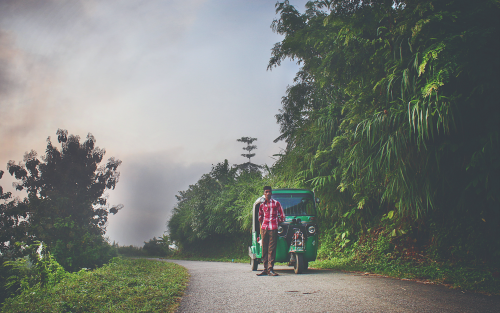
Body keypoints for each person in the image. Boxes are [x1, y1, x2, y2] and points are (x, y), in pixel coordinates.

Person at [257, 186, 285, 276]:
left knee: (271, 249)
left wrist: (276, 222)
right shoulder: (262, 205)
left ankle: (270, 269)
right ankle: (265, 269)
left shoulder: (276, 204)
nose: (268, 193)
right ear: (264, 193)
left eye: (269, 192)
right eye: (266, 192)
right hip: (264, 229)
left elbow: (282, 216)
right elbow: (260, 217)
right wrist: (263, 226)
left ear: (271, 193)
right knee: (264, 249)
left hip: (273, 229)